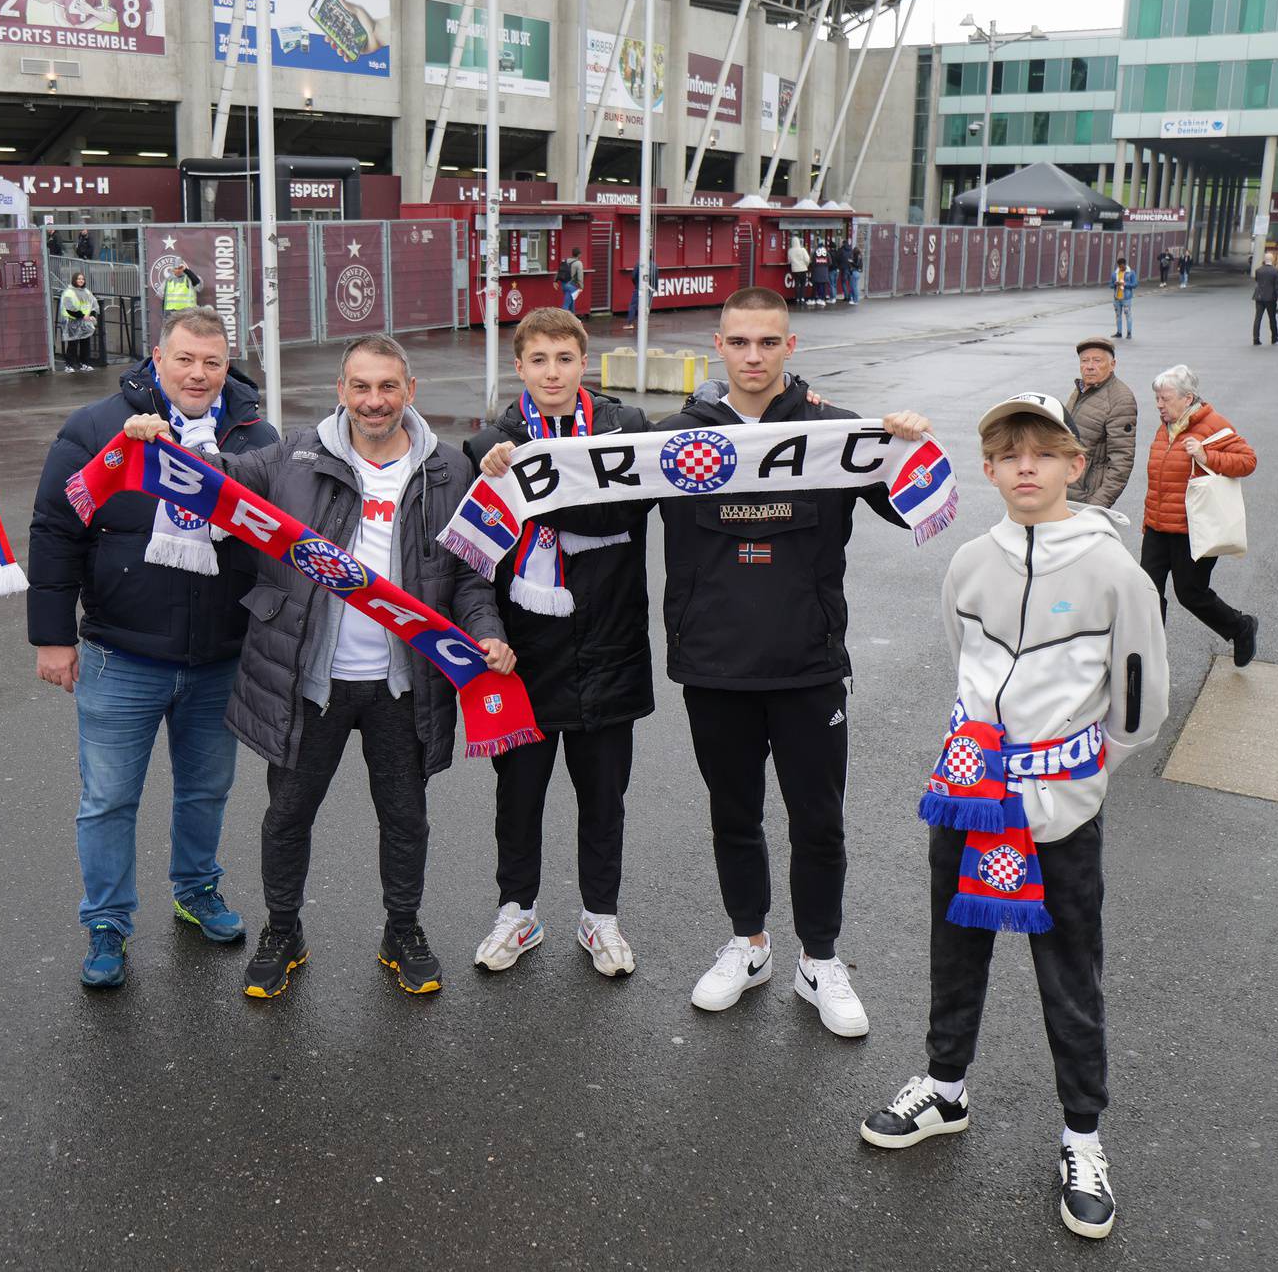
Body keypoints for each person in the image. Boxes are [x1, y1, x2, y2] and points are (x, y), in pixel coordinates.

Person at [858, 392, 1168, 1243]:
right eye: (1008, 452)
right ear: (988, 468)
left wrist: (1076, 777)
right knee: (954, 948)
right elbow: (965, 667)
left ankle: (1082, 1137)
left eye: (1044, 450)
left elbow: (1139, 707)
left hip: (1059, 813)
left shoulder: (1114, 572)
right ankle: (944, 1087)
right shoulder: (968, 563)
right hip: (966, 795)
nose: (1025, 466)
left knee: (1070, 972)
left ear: (1075, 464)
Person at [122, 335, 515, 1000]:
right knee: (287, 816)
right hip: (309, 681)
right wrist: (160, 444)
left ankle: (403, 929)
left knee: (406, 819)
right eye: (361, 386)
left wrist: (489, 633)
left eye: (388, 387)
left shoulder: (446, 469)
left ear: (409, 391)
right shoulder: (294, 455)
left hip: (402, 685)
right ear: (341, 390)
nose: (374, 401)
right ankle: (283, 930)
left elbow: (469, 579)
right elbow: (220, 479)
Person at [657, 285, 935, 1039]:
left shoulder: (835, 433)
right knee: (733, 816)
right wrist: (514, 457)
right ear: (717, 345)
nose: (753, 356)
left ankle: (820, 959)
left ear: (791, 347)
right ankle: (748, 944)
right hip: (714, 667)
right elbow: (589, 501)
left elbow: (915, 509)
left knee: (819, 821)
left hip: (810, 666)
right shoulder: (674, 438)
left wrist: (904, 444)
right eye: (739, 341)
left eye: (767, 342)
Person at [29, 307, 278, 988]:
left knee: (206, 789)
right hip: (122, 652)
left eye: (213, 362)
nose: (198, 374)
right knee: (108, 797)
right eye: (185, 359)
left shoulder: (256, 432)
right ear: (157, 358)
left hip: (218, 655)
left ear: (228, 365)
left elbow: (278, 538)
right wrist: (52, 636)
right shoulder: (98, 428)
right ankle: (106, 921)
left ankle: (196, 889)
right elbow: (56, 528)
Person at [465, 308, 652, 978]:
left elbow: (637, 504)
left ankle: (601, 917)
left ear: (584, 363)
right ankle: (518, 911)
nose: (552, 371)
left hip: (610, 643)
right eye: (538, 359)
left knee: (604, 797)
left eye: (564, 358)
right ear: (519, 367)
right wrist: (488, 634)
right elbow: (473, 559)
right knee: (519, 797)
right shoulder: (491, 444)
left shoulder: (625, 429)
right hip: (524, 653)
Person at [1139, 364, 1259, 665]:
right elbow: (1160, 478)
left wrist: (1207, 456)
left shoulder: (1211, 425)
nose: (1159, 405)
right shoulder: (1166, 426)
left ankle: (1241, 627)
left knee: (1191, 593)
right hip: (1157, 526)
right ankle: (1148, 657)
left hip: (1192, 530)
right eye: (1157, 399)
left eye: (1165, 399)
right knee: (1145, 592)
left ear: (1187, 398)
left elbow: (1248, 461)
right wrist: (1148, 521)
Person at [1064, 337, 1138, 509]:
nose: (1089, 366)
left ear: (1113, 364)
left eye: (1097, 360)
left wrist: (1097, 506)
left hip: (1086, 499)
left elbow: (1122, 461)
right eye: (1085, 360)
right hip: (1065, 492)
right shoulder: (1082, 389)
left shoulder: (1120, 399)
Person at [57, 270, 99, 373]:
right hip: (73, 322)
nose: (81, 280)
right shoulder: (69, 292)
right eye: (79, 279)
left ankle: (85, 363)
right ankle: (69, 364)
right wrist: (82, 315)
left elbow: (93, 305)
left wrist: (92, 315)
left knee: (85, 343)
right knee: (72, 344)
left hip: (85, 322)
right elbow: (69, 308)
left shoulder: (87, 292)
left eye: (82, 279)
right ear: (74, 280)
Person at [1252, 259, 1278, 346]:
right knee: (1272, 318)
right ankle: (1274, 338)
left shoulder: (1258, 270)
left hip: (1259, 297)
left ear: (1264, 260)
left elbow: (1257, 281)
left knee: (1258, 318)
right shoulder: (1276, 271)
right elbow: (1277, 286)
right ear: (1272, 260)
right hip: (1270, 298)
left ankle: (1256, 339)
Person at [1109, 258, 1136, 340]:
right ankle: (1119, 332)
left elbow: (1135, 284)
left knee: (1128, 315)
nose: (1121, 268)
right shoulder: (1115, 274)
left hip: (1126, 298)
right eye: (1120, 267)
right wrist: (1115, 284)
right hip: (1117, 298)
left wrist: (1125, 284)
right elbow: (1110, 285)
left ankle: (1129, 333)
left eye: (1122, 266)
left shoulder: (1131, 273)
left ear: (1125, 264)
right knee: (1118, 316)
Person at [836, 236, 862, 305]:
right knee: (852, 285)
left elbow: (837, 258)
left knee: (847, 284)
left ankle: (848, 297)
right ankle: (852, 298)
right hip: (851, 270)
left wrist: (850, 262)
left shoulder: (841, 250)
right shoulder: (851, 250)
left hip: (846, 269)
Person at [557, 247, 585, 313]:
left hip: (563, 284)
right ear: (579, 255)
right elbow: (580, 276)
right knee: (566, 306)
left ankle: (573, 319)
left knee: (572, 303)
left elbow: (559, 271)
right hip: (571, 286)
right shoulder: (578, 263)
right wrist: (581, 286)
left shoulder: (565, 260)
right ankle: (562, 321)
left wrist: (555, 281)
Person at [787, 237, 811, 306]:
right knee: (803, 284)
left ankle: (797, 298)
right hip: (803, 269)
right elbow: (807, 259)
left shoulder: (790, 251)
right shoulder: (802, 250)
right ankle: (802, 298)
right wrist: (806, 265)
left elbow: (789, 261)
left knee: (797, 284)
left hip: (795, 270)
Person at [810, 243, 832, 308]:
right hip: (824, 272)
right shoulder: (827, 253)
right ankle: (822, 299)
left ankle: (813, 299)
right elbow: (830, 263)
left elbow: (813, 263)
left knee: (815, 286)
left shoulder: (815, 253)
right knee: (823, 286)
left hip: (816, 272)